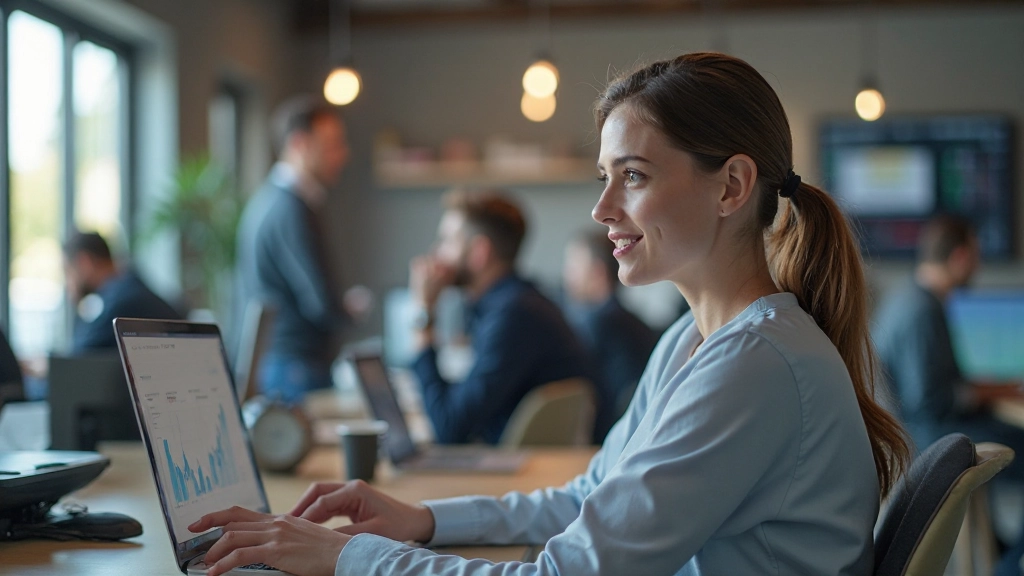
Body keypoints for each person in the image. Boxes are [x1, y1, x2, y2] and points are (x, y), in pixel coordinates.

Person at [190, 52, 909, 576]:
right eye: (606, 178)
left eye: (633, 175)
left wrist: (351, 557)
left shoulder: (755, 365)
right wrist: (427, 520)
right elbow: (593, 496)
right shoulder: (693, 343)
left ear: (732, 186)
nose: (601, 211)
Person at [873, 214, 1024, 575]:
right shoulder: (921, 311)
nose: (978, 265)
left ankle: (1002, 549)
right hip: (933, 440)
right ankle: (1009, 563)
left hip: (922, 434)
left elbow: (941, 384)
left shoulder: (909, 300)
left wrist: (990, 388)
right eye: (976, 255)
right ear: (959, 258)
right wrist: (989, 393)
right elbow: (933, 400)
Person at [405, 189, 591, 444]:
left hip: (525, 472)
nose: (437, 253)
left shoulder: (515, 315)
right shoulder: (514, 304)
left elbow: (449, 428)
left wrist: (424, 311)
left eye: (448, 241)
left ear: (479, 252)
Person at [235, 95, 368, 405]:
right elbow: (319, 300)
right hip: (294, 368)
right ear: (299, 143)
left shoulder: (270, 200)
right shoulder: (290, 208)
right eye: (333, 144)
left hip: (284, 363)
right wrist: (347, 309)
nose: (343, 155)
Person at [562, 229, 658, 442]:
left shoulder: (595, 322)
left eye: (573, 267)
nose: (567, 275)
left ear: (597, 272)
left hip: (607, 440)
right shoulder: (632, 320)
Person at [64, 231, 180, 352]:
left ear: (84, 263)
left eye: (67, 271)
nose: (67, 283)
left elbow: (80, 355)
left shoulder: (123, 302)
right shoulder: (128, 288)